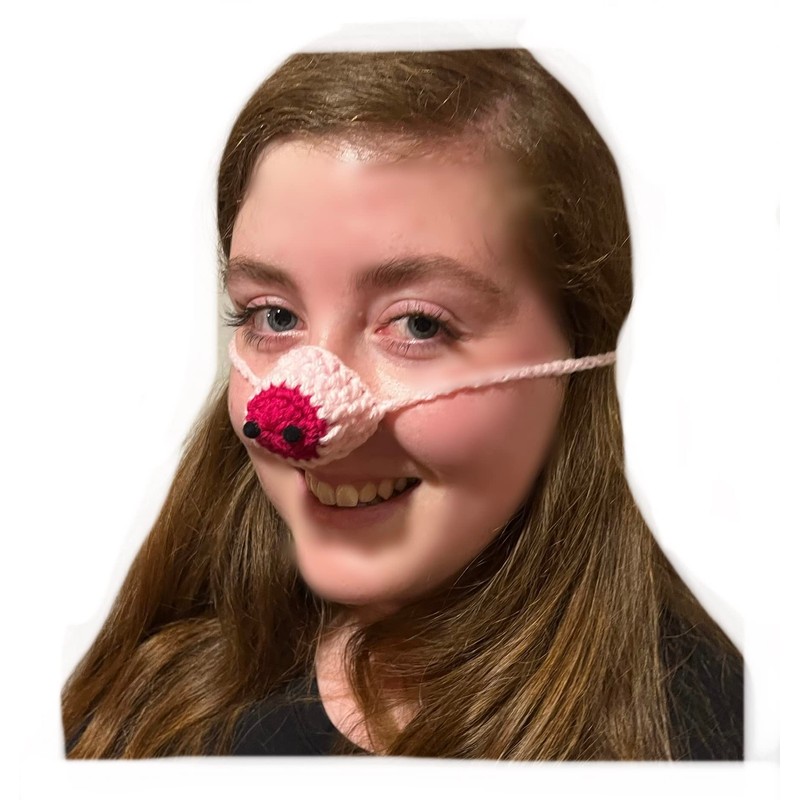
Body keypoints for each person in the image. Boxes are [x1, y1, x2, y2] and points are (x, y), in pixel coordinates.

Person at [61, 48, 743, 760]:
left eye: (418, 324)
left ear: (585, 347)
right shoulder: (144, 691)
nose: (302, 423)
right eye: (273, 316)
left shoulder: (706, 739)